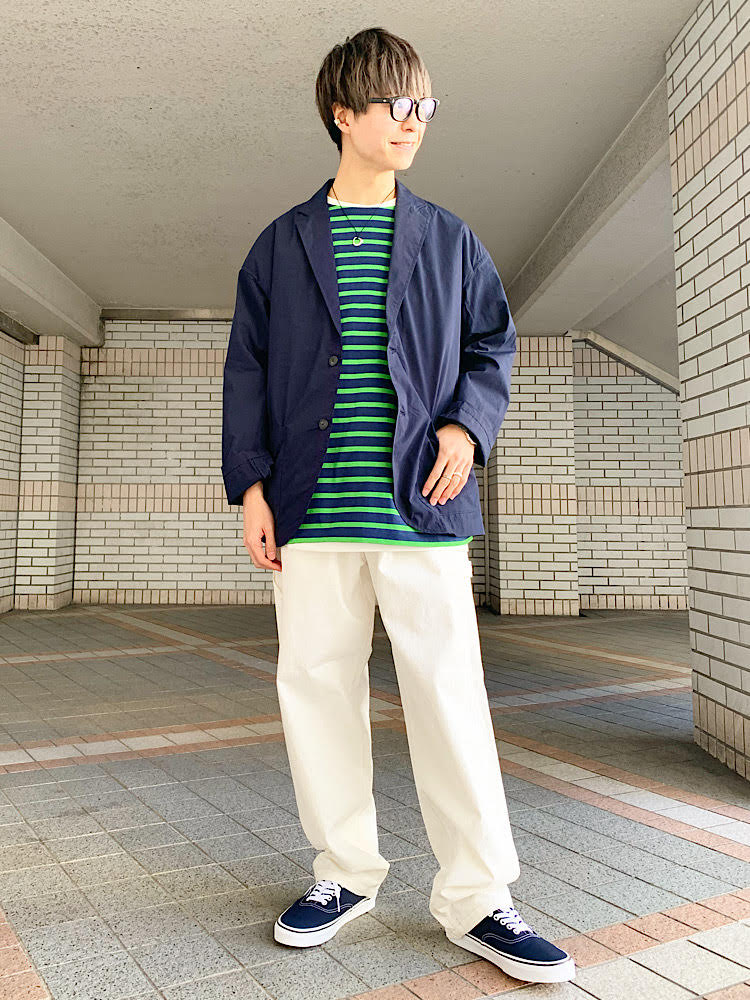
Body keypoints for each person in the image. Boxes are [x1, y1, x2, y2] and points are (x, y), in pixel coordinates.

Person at [222, 26, 575, 985]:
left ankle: (479, 898)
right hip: (310, 511)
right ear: (344, 113)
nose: (414, 121)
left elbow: (492, 346)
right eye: (396, 104)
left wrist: (466, 428)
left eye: (425, 105)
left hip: (421, 506)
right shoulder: (281, 244)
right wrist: (250, 486)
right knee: (316, 691)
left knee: (450, 697)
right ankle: (343, 873)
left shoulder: (450, 240)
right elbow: (247, 369)